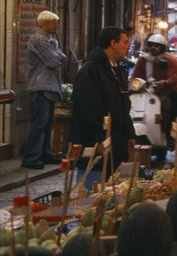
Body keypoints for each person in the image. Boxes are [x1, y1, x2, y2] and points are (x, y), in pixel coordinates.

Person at [69, 27, 135, 188]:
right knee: (92, 201)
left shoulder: (116, 70)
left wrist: (130, 133)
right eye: (125, 42)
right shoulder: (90, 71)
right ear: (113, 43)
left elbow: (123, 106)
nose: (128, 46)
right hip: (98, 152)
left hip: (116, 149)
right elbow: (87, 111)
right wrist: (100, 140)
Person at [22, 11, 67, 170]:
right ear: (46, 23)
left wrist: (59, 56)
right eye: (54, 22)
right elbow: (54, 60)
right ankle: (31, 157)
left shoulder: (50, 39)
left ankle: (44, 154)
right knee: (40, 122)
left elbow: (62, 56)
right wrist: (59, 56)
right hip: (40, 86)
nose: (57, 25)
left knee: (47, 123)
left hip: (49, 85)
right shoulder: (39, 39)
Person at [132, 34, 177, 149]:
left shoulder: (169, 60)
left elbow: (173, 76)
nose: (154, 48)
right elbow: (136, 75)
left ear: (162, 47)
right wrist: (134, 84)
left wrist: (165, 82)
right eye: (151, 45)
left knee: (168, 106)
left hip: (164, 92)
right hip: (145, 93)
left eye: (157, 46)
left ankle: (168, 134)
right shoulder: (143, 60)